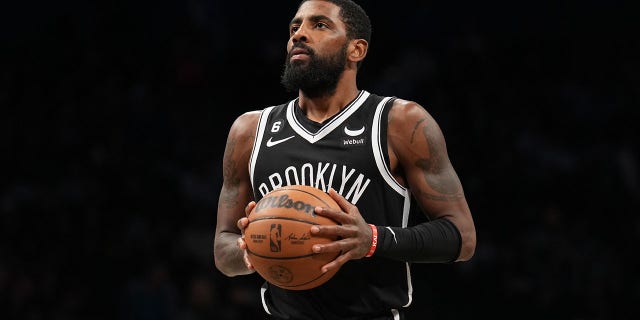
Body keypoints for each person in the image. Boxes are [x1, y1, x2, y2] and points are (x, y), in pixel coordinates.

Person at [213, 0, 477, 319]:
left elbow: (462, 238)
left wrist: (372, 239)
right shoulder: (250, 131)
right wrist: (251, 248)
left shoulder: (400, 122)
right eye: (294, 27)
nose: (299, 35)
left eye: (319, 25)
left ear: (357, 50)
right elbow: (222, 249)